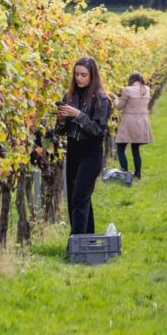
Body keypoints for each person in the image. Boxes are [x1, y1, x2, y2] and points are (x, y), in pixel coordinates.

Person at [56, 57, 111, 236]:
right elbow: (61, 130)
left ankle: (76, 242)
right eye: (76, 74)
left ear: (92, 76)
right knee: (76, 199)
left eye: (83, 75)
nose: (79, 78)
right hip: (73, 151)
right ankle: (87, 240)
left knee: (80, 198)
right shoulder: (70, 96)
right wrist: (62, 120)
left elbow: (97, 130)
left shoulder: (102, 99)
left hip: (91, 153)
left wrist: (78, 115)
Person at [110, 73, 153, 179]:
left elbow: (119, 106)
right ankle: (137, 174)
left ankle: (124, 173)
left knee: (120, 148)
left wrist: (114, 98)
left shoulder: (128, 90)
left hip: (129, 122)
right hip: (142, 121)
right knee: (135, 149)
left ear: (131, 80)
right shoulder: (146, 89)